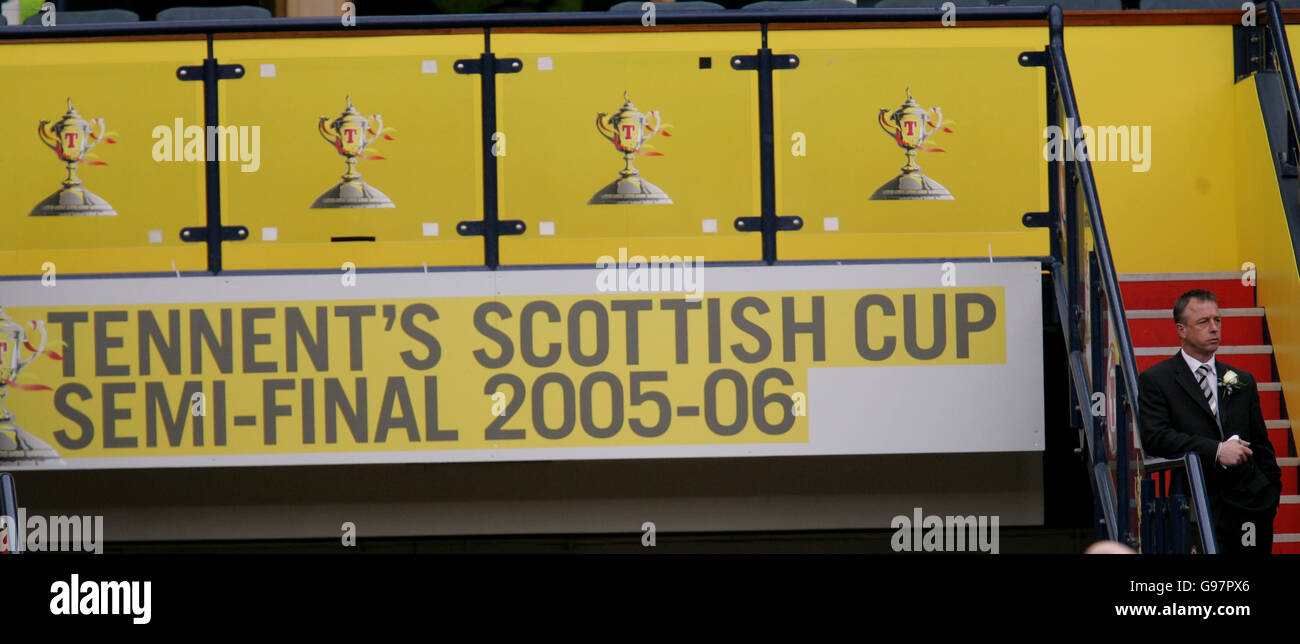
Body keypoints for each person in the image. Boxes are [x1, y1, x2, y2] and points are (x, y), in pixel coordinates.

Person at [1138, 289, 1282, 554]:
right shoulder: (1157, 380)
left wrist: (1269, 495)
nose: (1214, 328)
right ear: (1181, 330)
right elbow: (1156, 437)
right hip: (1195, 504)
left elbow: (1262, 447)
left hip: (1249, 507)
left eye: (1217, 320)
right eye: (1203, 322)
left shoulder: (1242, 380)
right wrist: (1216, 451)